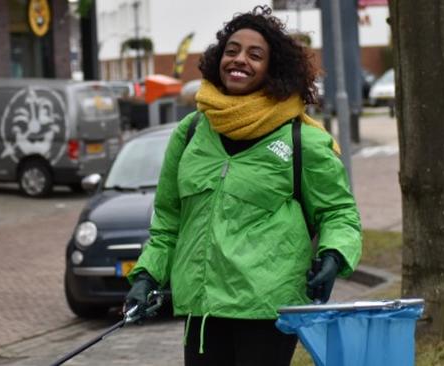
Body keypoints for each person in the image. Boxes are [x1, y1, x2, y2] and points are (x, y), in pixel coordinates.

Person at [125, 5, 361, 366]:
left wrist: (333, 256)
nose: (239, 60)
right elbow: (168, 221)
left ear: (273, 69)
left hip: (266, 312)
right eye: (232, 50)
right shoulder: (190, 133)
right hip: (202, 312)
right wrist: (146, 275)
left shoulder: (302, 140)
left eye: (255, 55)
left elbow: (339, 213)